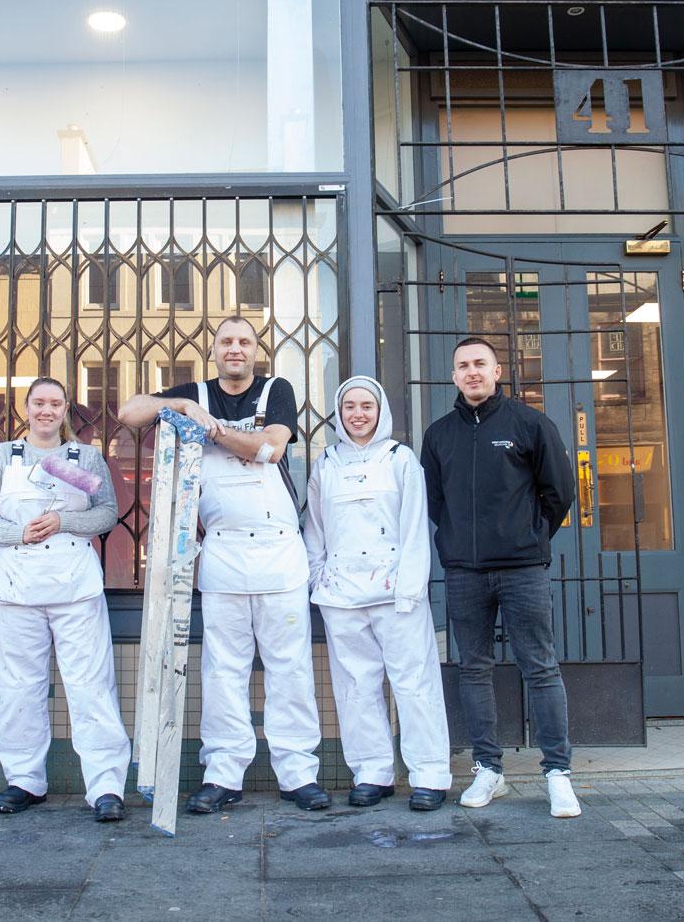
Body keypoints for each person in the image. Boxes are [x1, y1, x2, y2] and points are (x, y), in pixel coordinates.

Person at [117, 316, 329, 814]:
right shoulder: (196, 392)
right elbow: (130, 412)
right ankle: (223, 773)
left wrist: (210, 431)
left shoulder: (277, 389)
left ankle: (299, 773)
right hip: (225, 554)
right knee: (223, 670)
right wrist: (181, 405)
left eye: (244, 342)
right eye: (226, 342)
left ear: (256, 351)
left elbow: (271, 447)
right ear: (213, 351)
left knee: (290, 668)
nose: (235, 349)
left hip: (279, 553)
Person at [420, 337, 582, 818]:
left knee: (541, 667)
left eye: (480, 364)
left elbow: (560, 491)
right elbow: (435, 501)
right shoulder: (439, 434)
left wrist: (530, 536)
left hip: (521, 570)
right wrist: (457, 544)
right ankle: (488, 769)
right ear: (454, 376)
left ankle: (558, 773)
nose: (472, 372)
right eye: (463, 366)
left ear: (497, 370)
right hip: (466, 573)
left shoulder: (529, 424)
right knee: (473, 669)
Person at [0, 377, 130, 822]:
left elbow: (106, 513)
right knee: (19, 686)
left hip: (75, 586)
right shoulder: (3, 457)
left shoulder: (82, 458)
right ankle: (24, 780)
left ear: (65, 411)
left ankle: (105, 786)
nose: (46, 411)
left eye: (55, 403)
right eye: (38, 402)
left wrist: (63, 520)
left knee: (90, 686)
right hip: (16, 584)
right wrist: (17, 533)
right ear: (25, 407)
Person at [303, 375, 452, 811]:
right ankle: (371, 772)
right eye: (349, 406)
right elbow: (315, 529)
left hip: (395, 593)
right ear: (338, 412)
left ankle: (429, 774)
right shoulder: (326, 463)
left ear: (380, 409)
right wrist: (319, 579)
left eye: (366, 405)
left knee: (415, 683)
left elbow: (414, 527)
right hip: (341, 595)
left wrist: (409, 588)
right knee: (355, 687)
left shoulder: (400, 459)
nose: (358, 414)